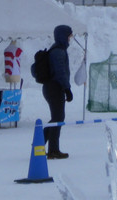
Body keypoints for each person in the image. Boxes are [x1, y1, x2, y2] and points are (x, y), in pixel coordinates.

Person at [43, 24, 74, 159]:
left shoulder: (58, 49)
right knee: (58, 118)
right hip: (54, 88)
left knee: (57, 118)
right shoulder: (58, 51)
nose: (70, 39)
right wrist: (67, 89)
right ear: (63, 36)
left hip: (53, 87)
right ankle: (52, 150)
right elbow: (60, 72)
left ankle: (40, 144)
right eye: (69, 36)